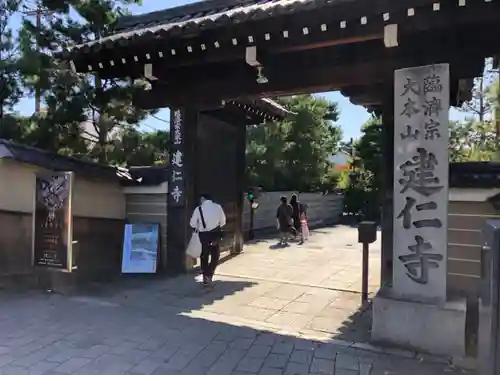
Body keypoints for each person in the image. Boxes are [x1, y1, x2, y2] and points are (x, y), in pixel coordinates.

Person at [190, 194, 226, 287]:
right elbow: (223, 221)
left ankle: (205, 277)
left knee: (204, 256)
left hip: (204, 235)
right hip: (215, 235)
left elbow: (192, 223)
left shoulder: (198, 209)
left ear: (203, 199)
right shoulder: (218, 207)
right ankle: (209, 274)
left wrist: (199, 226)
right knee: (215, 255)